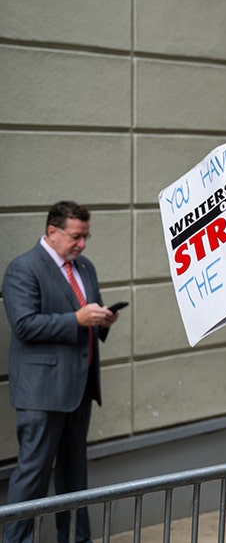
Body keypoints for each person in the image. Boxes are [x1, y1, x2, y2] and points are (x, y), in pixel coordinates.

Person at [3, 200, 122, 543]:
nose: (82, 244)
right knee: (33, 476)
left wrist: (103, 321)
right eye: (76, 236)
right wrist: (77, 319)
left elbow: (88, 316)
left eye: (86, 236)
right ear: (52, 232)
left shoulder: (84, 267)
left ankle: (75, 539)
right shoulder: (23, 268)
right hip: (41, 393)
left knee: (74, 477)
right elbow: (24, 325)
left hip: (80, 388)